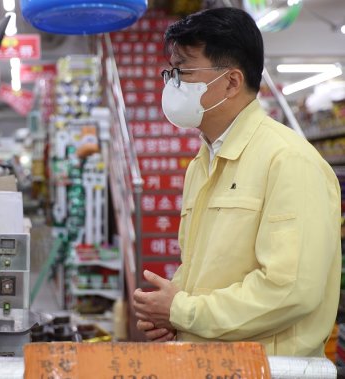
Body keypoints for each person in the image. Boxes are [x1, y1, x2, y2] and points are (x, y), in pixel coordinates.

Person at [132, 7, 341, 357]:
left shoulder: (288, 161)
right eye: (171, 72)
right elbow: (206, 265)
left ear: (230, 82)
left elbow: (290, 290)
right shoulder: (202, 163)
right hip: (211, 362)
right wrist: (170, 309)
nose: (172, 83)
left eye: (183, 71)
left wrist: (183, 311)